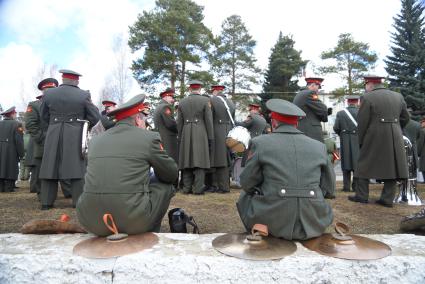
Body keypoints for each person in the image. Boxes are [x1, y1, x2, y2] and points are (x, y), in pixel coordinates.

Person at [77, 95, 177, 236]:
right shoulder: (148, 138)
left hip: (90, 221)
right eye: (144, 120)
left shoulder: (95, 140)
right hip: (132, 222)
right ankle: (150, 232)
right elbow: (171, 174)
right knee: (165, 184)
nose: (145, 125)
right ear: (137, 119)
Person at [237, 99, 334, 240]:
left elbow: (247, 183)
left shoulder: (260, 143)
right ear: (297, 123)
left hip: (272, 222)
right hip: (313, 221)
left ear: (274, 122)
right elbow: (329, 189)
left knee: (244, 196)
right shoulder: (319, 146)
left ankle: (259, 224)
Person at [39, 69, 100, 210]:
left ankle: (46, 203)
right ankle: (78, 202)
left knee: (50, 166)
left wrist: (54, 124)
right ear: (76, 80)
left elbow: (43, 116)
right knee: (76, 167)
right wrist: (83, 123)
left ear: (63, 79)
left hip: (53, 131)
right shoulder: (83, 95)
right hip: (75, 133)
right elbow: (95, 117)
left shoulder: (48, 94)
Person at [349, 75, 409, 207]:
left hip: (374, 134)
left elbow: (363, 121)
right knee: (392, 165)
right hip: (395, 134)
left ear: (370, 84)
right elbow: (405, 117)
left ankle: (361, 196)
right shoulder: (398, 96)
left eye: (365, 85)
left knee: (363, 164)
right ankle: (387, 199)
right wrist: (396, 128)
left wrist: (361, 140)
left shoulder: (367, 97)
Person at [25, 78, 72, 198]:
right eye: (48, 89)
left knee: (64, 168)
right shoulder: (35, 105)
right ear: (43, 91)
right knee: (43, 171)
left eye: (53, 89)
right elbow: (31, 124)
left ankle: (69, 193)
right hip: (43, 144)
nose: (51, 92)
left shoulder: (63, 104)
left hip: (61, 142)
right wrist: (42, 138)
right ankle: (44, 196)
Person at [177, 80, 214, 195]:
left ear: (190, 89)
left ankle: (186, 188)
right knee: (200, 161)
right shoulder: (205, 100)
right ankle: (198, 189)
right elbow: (208, 120)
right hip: (200, 132)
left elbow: (179, 122)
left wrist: (180, 135)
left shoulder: (182, 102)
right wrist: (210, 137)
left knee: (187, 160)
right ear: (200, 89)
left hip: (186, 132)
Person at [208, 85, 235, 193]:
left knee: (217, 158)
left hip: (216, 131)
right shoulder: (231, 102)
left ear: (215, 91)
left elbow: (209, 118)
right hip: (228, 131)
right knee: (226, 158)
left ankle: (221, 186)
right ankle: (223, 185)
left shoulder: (212, 100)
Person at [333, 95, 360, 192]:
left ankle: (346, 187)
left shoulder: (341, 113)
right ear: (357, 102)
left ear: (347, 102)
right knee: (357, 164)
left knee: (346, 163)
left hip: (345, 139)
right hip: (357, 139)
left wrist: (342, 134)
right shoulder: (361, 112)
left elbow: (336, 127)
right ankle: (356, 186)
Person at [293, 77, 329, 142]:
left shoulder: (300, 94)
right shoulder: (309, 93)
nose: (318, 90)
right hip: (310, 130)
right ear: (313, 85)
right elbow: (323, 109)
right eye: (318, 87)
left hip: (302, 128)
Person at [0, 107, 25, 192]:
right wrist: (22, 154)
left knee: (1, 167)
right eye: (15, 113)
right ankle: (9, 187)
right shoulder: (17, 124)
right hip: (11, 150)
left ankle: (1, 187)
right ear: (12, 114)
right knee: (11, 168)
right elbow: (19, 141)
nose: (16, 115)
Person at [153, 88, 178, 164]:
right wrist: (180, 129)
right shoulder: (165, 107)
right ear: (166, 97)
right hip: (168, 141)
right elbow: (170, 124)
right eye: (171, 97)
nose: (173, 100)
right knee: (171, 163)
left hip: (162, 139)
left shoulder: (158, 107)